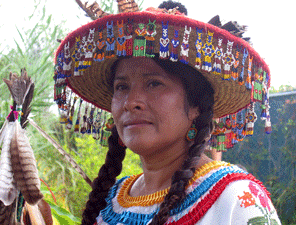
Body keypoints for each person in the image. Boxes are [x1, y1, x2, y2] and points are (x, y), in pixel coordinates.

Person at [53, 0, 280, 224]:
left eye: (153, 84)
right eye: (121, 87)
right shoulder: (109, 201)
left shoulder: (236, 200)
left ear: (195, 106)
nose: (131, 103)